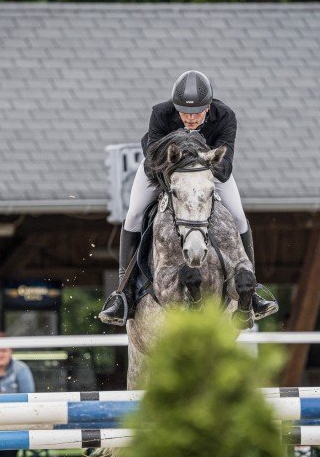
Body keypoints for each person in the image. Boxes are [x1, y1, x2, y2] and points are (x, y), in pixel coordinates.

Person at [99, 70, 277, 326]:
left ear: (209, 107)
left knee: (238, 216)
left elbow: (224, 169)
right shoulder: (161, 114)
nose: (190, 118)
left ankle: (254, 290)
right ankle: (123, 294)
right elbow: (151, 165)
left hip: (206, 171)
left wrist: (199, 168)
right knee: (135, 214)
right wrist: (177, 177)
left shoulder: (225, 116)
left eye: (197, 112)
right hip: (164, 171)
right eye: (184, 112)